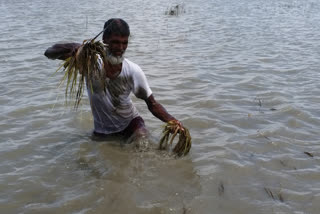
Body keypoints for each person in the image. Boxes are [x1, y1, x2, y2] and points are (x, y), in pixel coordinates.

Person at [44, 18, 181, 142]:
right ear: (104, 40)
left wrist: (173, 121)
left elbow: (152, 104)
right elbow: (49, 53)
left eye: (124, 43)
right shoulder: (88, 62)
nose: (120, 48)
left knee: (142, 141)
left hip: (131, 124)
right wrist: (77, 48)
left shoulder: (133, 70)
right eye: (115, 42)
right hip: (102, 131)